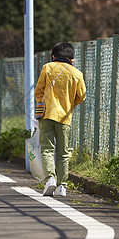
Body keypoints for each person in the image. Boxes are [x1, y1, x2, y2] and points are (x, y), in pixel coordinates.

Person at [34, 42, 86, 196]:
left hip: (46, 115)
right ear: (72, 60)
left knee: (47, 149)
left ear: (53, 56)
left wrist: (42, 103)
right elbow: (82, 96)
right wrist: (69, 105)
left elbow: (38, 91)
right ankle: (62, 186)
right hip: (64, 117)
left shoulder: (47, 68)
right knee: (63, 153)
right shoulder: (77, 74)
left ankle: (50, 179)